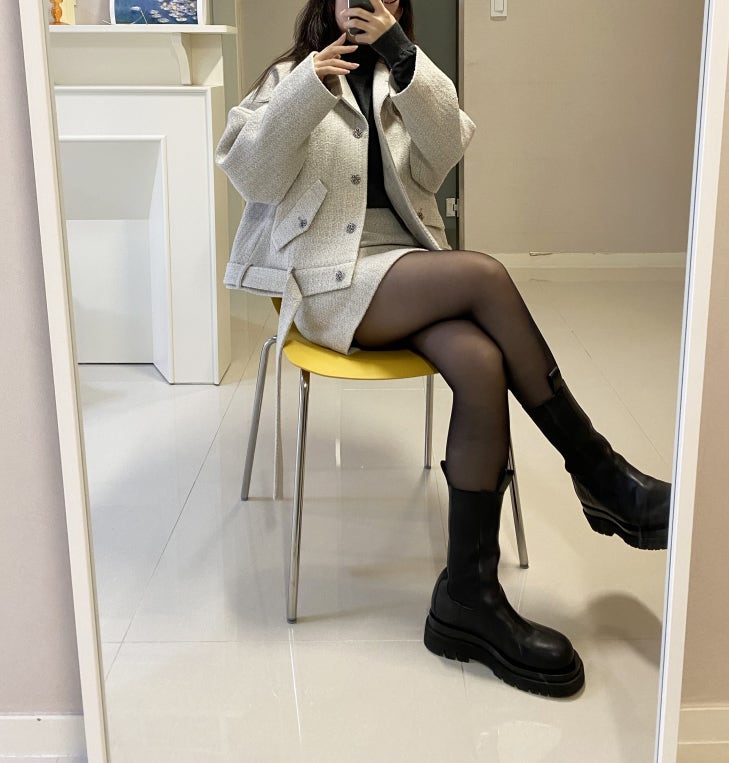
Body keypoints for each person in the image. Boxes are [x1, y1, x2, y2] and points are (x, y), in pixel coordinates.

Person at [216, 0, 670, 698]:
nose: (363, 2)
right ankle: (599, 473)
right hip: (330, 280)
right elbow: (253, 176)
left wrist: (404, 58)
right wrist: (308, 87)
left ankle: (467, 598)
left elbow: (444, 156)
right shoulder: (291, 76)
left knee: (482, 363)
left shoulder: (402, 76)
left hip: (406, 269)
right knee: (485, 276)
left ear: (397, 7)